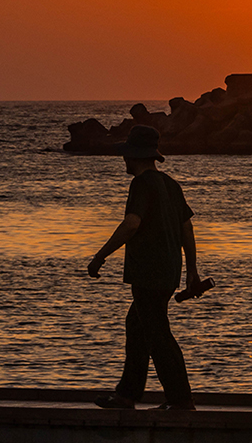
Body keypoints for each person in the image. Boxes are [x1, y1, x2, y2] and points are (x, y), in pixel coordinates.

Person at [88, 125, 201, 411]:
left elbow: (131, 223)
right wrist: (191, 271)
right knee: (137, 326)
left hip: (148, 272)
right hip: (169, 271)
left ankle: (180, 399)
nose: (124, 161)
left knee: (158, 334)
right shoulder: (171, 185)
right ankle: (127, 394)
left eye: (126, 155)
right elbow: (187, 228)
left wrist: (100, 256)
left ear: (132, 156)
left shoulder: (141, 184)